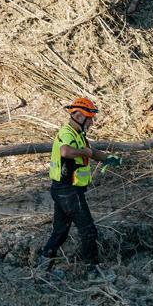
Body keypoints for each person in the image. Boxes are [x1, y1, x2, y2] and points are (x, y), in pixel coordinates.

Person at [39, 97, 121, 271]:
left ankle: (42, 268)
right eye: (89, 118)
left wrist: (108, 158)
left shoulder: (78, 135)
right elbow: (65, 151)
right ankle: (93, 271)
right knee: (88, 230)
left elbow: (90, 152)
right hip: (68, 191)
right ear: (79, 116)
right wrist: (85, 151)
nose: (92, 122)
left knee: (60, 232)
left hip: (65, 190)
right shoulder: (67, 133)